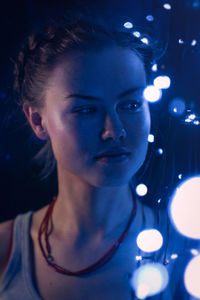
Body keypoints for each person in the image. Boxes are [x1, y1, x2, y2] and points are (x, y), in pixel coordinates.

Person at [0, 11, 197, 300]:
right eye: (86, 110)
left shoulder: (185, 255)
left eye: (130, 105)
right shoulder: (5, 250)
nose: (114, 131)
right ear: (38, 121)